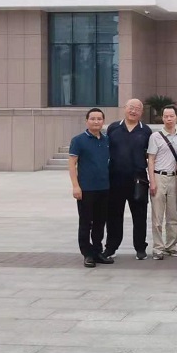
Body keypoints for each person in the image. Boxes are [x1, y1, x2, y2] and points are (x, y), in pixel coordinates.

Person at [105, 99, 153, 260]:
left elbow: (150, 156)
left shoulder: (146, 131)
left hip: (138, 179)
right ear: (125, 108)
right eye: (131, 108)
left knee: (139, 215)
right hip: (115, 178)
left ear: (141, 112)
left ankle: (140, 247)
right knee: (113, 215)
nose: (133, 111)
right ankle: (111, 247)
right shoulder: (113, 128)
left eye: (137, 109)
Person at [68, 108, 114, 268]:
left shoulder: (106, 139)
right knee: (86, 222)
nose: (96, 121)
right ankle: (87, 254)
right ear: (86, 121)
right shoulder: (78, 140)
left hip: (104, 187)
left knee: (100, 222)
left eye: (99, 119)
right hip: (86, 189)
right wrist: (75, 186)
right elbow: (72, 164)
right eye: (93, 119)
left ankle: (97, 251)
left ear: (103, 121)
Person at [147, 104, 177, 260]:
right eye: (165, 116)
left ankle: (171, 246)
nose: (168, 119)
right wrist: (152, 181)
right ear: (162, 118)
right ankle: (158, 248)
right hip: (159, 177)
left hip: (175, 178)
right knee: (157, 216)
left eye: (171, 116)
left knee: (172, 216)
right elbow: (151, 160)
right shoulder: (155, 137)